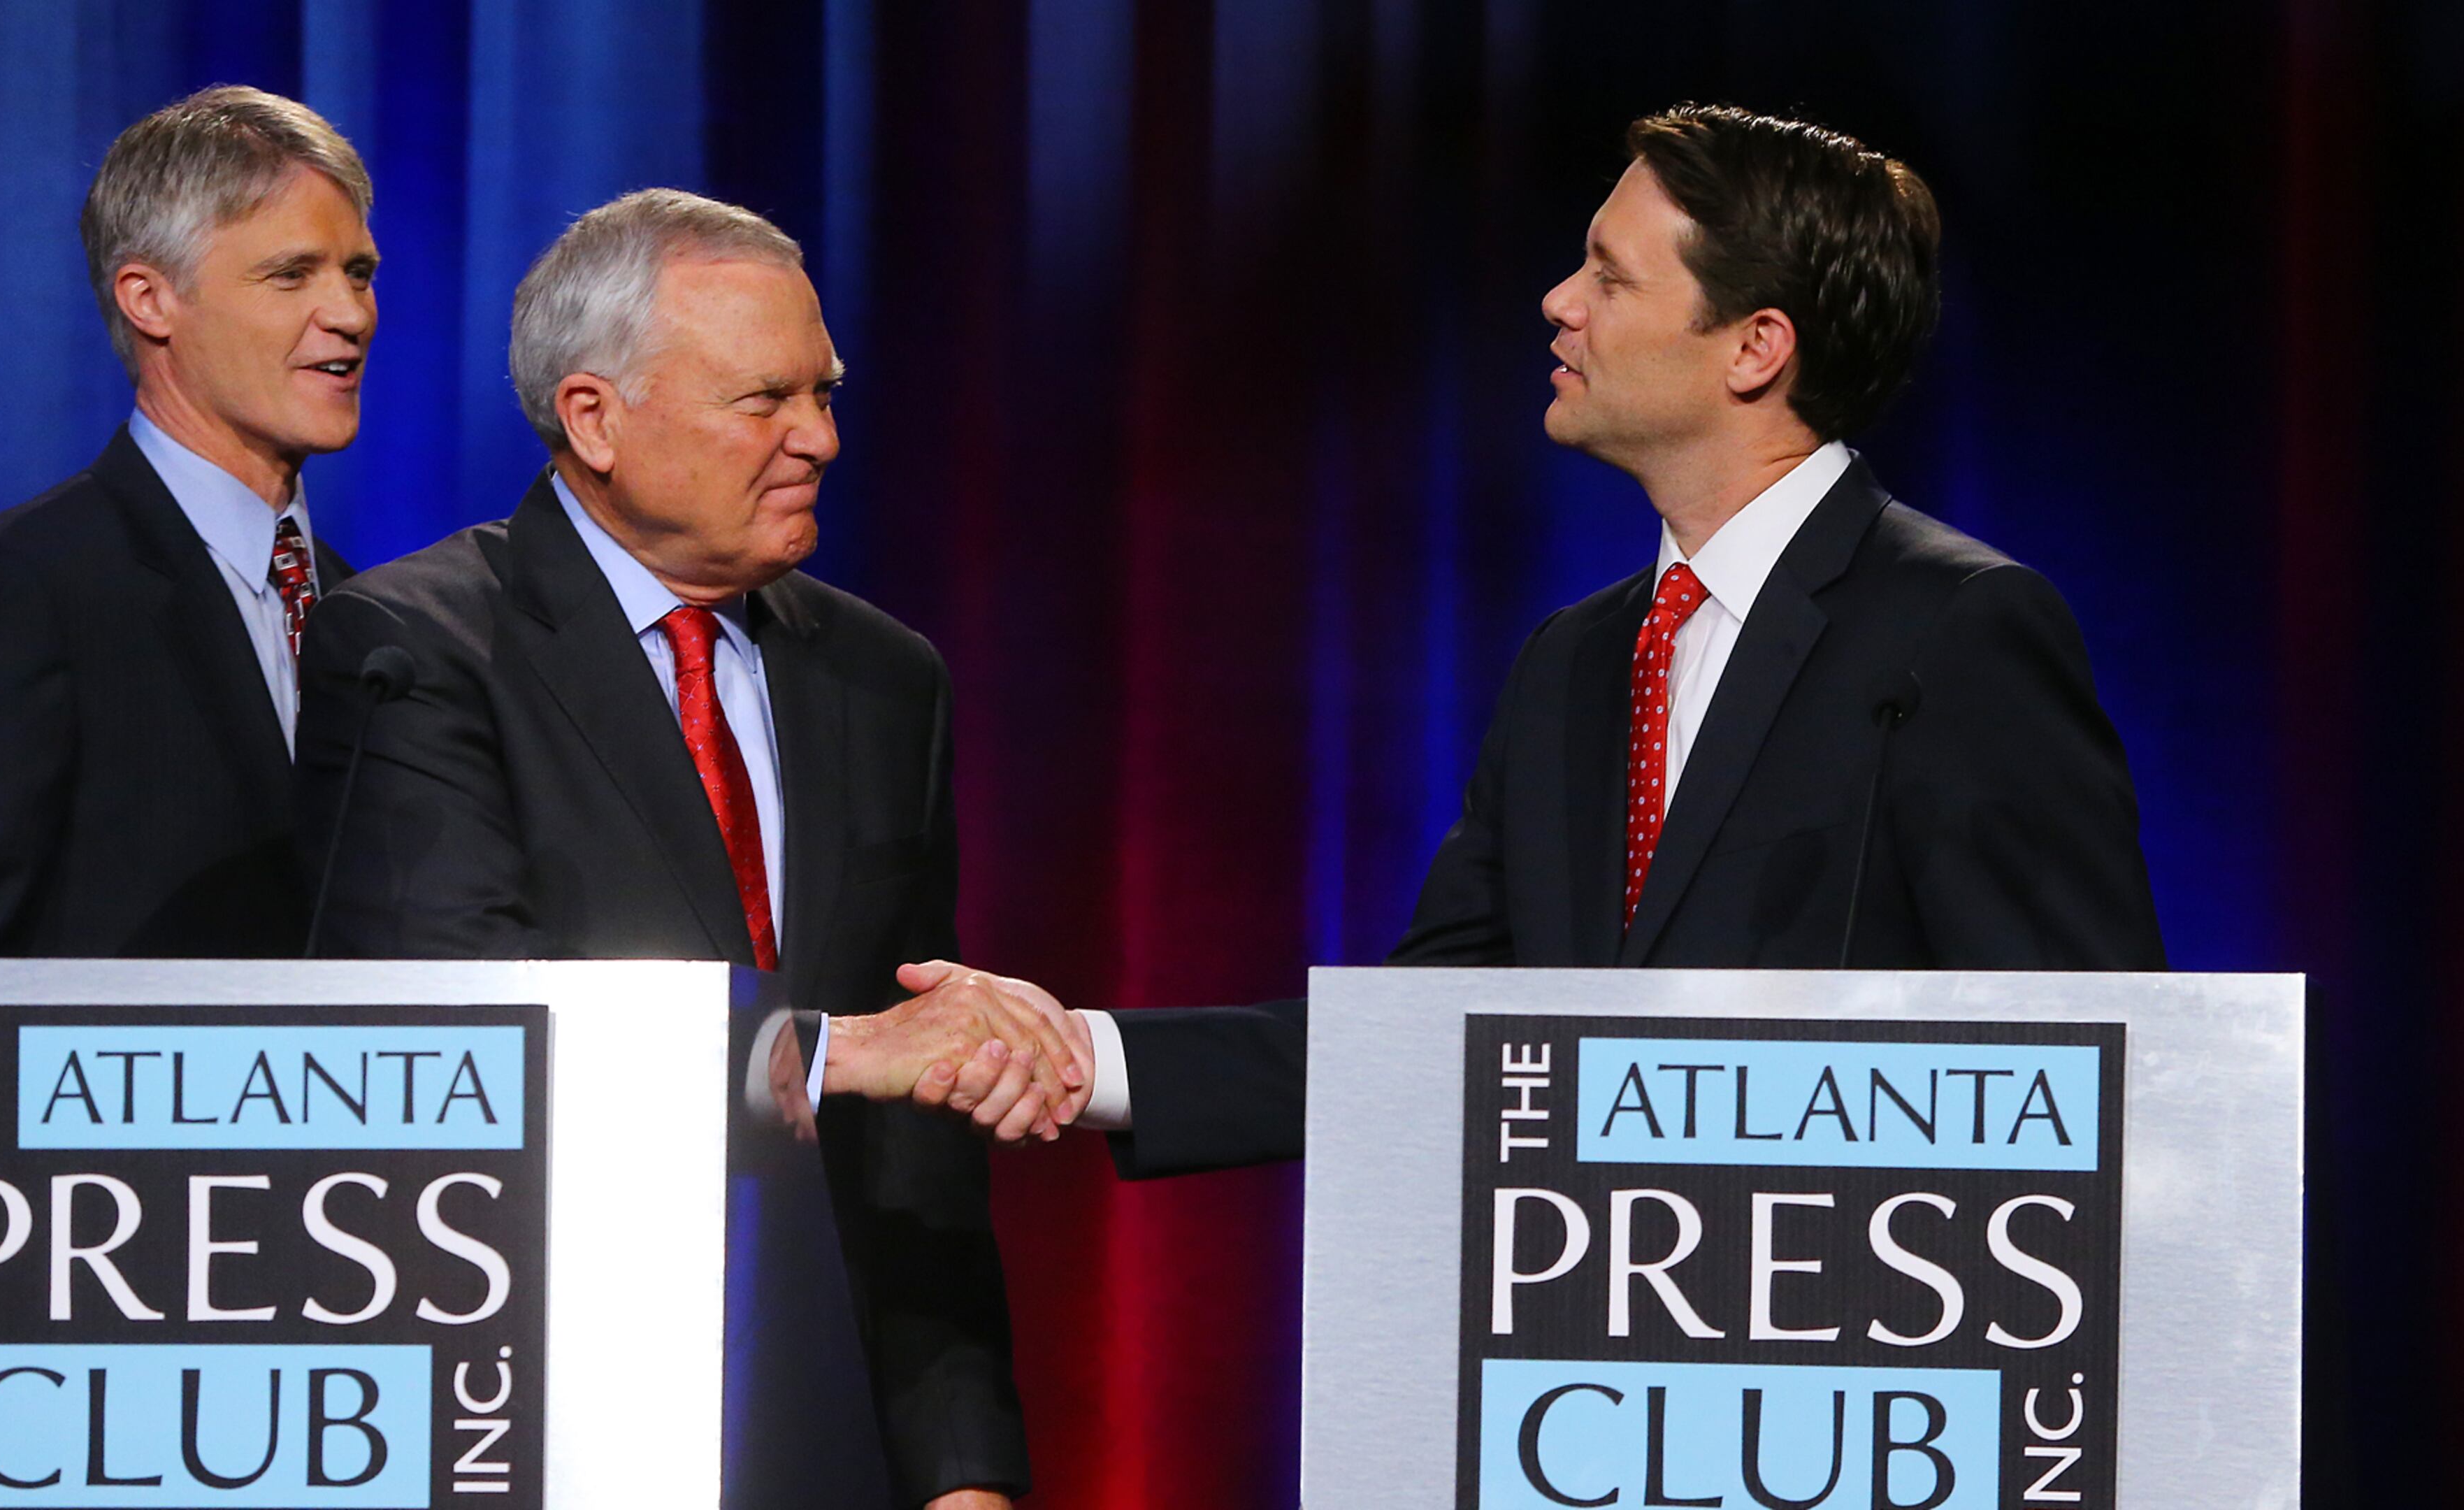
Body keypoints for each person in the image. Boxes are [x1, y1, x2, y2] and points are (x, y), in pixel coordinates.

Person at [853, 103, 2170, 1179]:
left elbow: (2103, 1075)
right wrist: (1082, 1056)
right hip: (1593, 1395)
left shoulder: (1958, 629)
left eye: (1609, 274)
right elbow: (1438, 1042)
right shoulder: (1577, 666)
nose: (1558, 302)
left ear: (1756, 348)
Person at [293, 189, 1069, 1509]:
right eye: (762, 400)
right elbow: (470, 1047)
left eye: (823, 393)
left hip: (814, 1426)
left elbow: (919, 1147)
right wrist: (838, 1053)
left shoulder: (885, 679)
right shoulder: (414, 650)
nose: (819, 438)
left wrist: (963, 1469)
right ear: (594, 417)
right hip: (529, 1411)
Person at [0, 86, 373, 956]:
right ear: (150, 300)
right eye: (292, 274)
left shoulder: (352, 605)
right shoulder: (20, 596)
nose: (350, 314)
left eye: (359, 272)